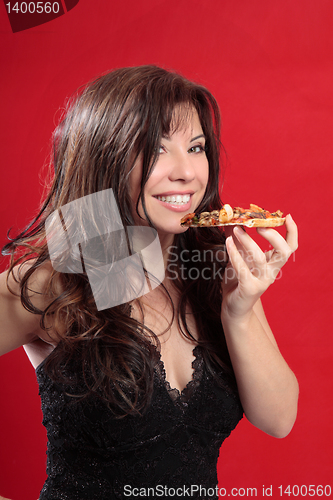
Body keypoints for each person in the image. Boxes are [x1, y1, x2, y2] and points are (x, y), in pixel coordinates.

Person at [0, 65, 299, 500]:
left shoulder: (213, 271)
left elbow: (278, 419)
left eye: (196, 147)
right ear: (105, 155)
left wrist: (240, 311)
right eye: (156, 150)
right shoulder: (59, 281)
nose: (187, 172)